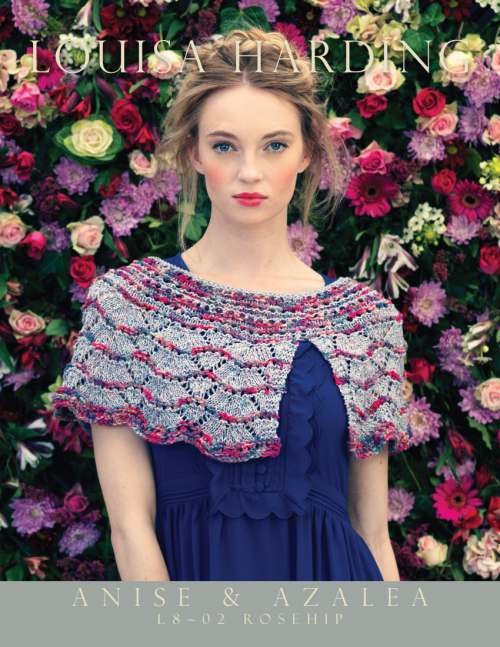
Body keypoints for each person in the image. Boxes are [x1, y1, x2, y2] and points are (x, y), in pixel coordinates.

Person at [52, 28, 413, 581]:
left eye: (274, 145)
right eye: (225, 146)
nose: (250, 172)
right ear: (193, 152)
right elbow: (129, 527)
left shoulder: (363, 322)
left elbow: (372, 532)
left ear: (307, 153)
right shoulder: (130, 306)